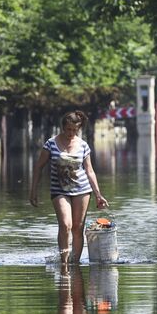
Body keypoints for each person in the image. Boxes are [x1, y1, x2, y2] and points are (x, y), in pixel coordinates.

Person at [29, 110, 109, 265]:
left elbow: (89, 171)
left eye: (74, 130)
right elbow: (38, 167)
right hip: (59, 190)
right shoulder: (51, 144)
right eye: (68, 129)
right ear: (63, 127)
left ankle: (75, 264)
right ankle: (64, 263)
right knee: (66, 224)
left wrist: (98, 195)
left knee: (78, 228)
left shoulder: (83, 145)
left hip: (82, 190)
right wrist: (33, 191)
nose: (71, 133)